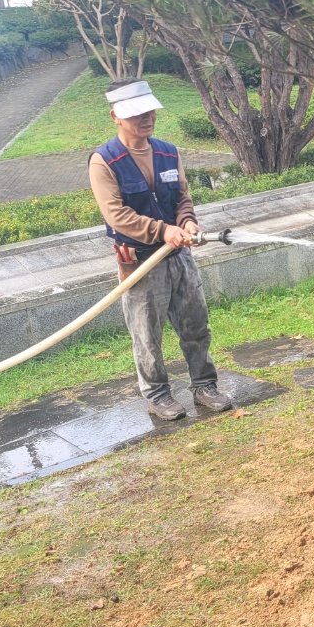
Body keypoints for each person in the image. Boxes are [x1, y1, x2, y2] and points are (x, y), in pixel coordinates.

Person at [88, 79, 234, 421]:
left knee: (195, 324)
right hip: (140, 261)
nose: (147, 118)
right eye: (136, 113)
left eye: (150, 111)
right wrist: (163, 230)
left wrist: (187, 222)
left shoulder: (168, 152)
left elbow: (182, 196)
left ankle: (204, 386)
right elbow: (116, 214)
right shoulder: (104, 161)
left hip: (179, 256)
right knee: (147, 335)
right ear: (115, 117)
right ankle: (157, 395)